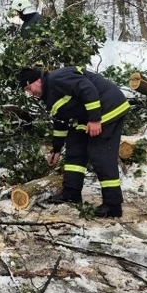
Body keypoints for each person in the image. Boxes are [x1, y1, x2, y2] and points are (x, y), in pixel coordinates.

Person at [18, 66, 130, 218]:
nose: (30, 94)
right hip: (87, 116)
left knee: (100, 154)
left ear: (37, 80)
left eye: (29, 88)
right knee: (75, 146)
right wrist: (56, 150)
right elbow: (61, 121)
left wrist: (95, 119)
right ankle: (71, 193)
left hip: (108, 108)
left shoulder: (57, 79)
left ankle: (113, 205)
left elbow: (88, 88)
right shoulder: (49, 96)